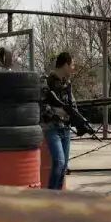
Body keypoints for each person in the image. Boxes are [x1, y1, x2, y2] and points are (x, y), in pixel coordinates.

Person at [41, 52, 76, 190]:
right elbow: (42, 105)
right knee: (59, 162)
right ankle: (50, 196)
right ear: (66, 65)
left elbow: (72, 104)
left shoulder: (67, 83)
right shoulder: (46, 81)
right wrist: (57, 112)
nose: (73, 68)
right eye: (72, 65)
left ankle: (58, 196)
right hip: (52, 128)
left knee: (64, 166)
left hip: (65, 128)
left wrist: (76, 117)